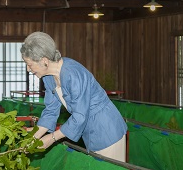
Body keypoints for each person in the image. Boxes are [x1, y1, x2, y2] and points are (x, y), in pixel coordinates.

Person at [20, 31, 127, 162]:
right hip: (89, 131)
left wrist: (51, 138)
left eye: (30, 64)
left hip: (107, 129)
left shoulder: (73, 73)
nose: (28, 69)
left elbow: (79, 115)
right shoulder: (48, 78)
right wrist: (33, 138)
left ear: (44, 61)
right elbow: (50, 111)